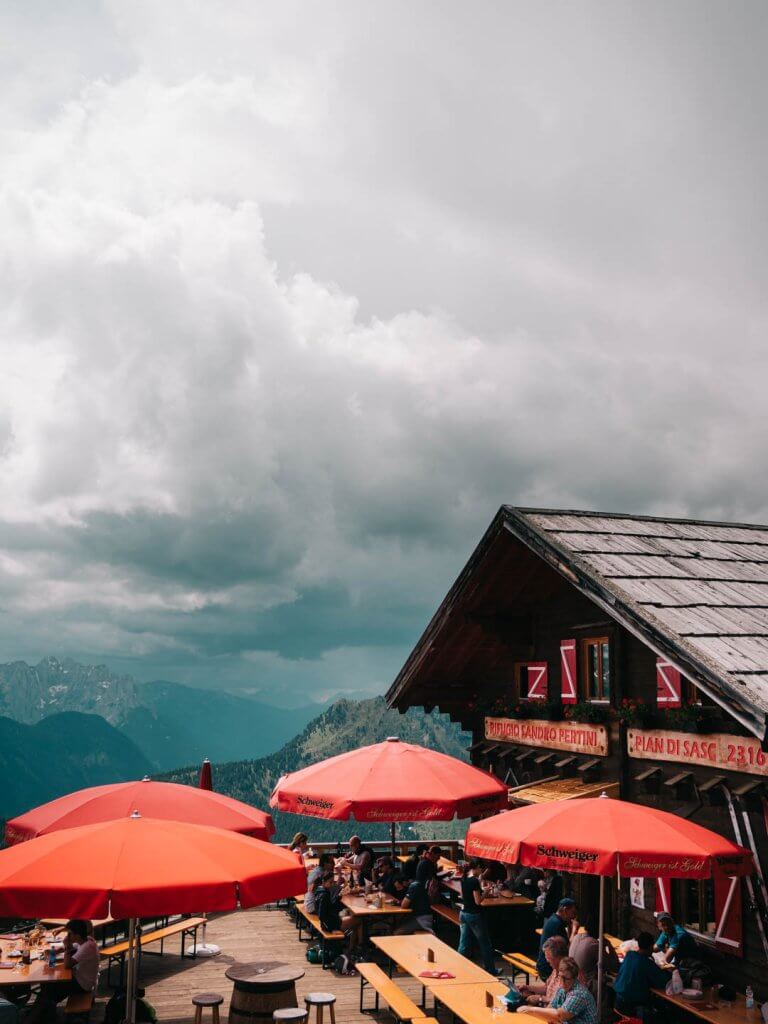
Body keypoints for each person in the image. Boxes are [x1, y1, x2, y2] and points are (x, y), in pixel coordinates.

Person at [26, 920, 99, 1024]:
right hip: (79, 978)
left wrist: (67, 948)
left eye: (70, 934)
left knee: (48, 990)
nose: (68, 936)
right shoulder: (86, 941)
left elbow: (67, 965)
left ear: (77, 935)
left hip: (83, 985)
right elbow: (70, 948)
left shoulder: (88, 947)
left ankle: (35, 1018)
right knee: (47, 988)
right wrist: (53, 951)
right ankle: (45, 1013)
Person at [518, 956, 598, 1023]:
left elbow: (560, 1015)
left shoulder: (579, 994)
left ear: (574, 978)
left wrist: (531, 1009)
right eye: (560, 976)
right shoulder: (562, 990)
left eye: (566, 978)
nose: (562, 982)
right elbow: (549, 1009)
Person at [614, 931, 670, 1019]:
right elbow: (663, 982)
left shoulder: (629, 955)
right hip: (633, 1006)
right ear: (650, 947)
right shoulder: (646, 963)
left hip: (618, 1001)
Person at [457, 859, 499, 975]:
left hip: (464, 913)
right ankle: (490, 969)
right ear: (477, 868)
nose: (482, 871)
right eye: (481, 869)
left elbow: (467, 895)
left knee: (464, 943)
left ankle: (457, 966)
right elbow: (478, 901)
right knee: (485, 943)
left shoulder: (464, 878)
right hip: (474, 915)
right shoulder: (474, 881)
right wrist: (487, 891)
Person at [569, 914, 619, 995]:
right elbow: (614, 966)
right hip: (585, 985)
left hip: (572, 978)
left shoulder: (577, 937)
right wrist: (609, 945)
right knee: (612, 981)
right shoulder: (594, 944)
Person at [315, 871, 364, 951]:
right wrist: (331, 928)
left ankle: (352, 948)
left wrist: (339, 896)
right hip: (331, 924)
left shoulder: (319, 891)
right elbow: (322, 915)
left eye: (332, 882)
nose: (332, 885)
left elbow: (331, 908)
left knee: (354, 919)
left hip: (329, 922)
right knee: (359, 920)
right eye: (330, 882)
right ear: (323, 882)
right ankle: (359, 947)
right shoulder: (325, 895)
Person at [520, 936, 569, 1008]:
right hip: (546, 1009)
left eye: (549, 957)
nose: (547, 960)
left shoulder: (568, 974)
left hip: (554, 1013)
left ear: (558, 957)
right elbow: (546, 988)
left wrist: (540, 999)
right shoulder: (555, 969)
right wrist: (528, 988)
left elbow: (563, 1001)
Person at [537, 899, 578, 981]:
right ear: (565, 910)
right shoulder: (557, 924)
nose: (574, 917)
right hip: (547, 969)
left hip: (542, 965)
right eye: (573, 913)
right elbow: (568, 948)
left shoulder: (553, 919)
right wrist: (574, 930)